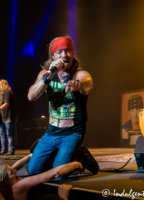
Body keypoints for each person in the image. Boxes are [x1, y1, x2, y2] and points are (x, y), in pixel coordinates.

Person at [27, 36, 98, 176]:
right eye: (59, 52)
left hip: (72, 133)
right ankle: (66, 157)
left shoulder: (78, 73)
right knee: (32, 171)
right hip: (51, 133)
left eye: (68, 51)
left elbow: (88, 81)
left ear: (72, 54)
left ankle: (80, 158)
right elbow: (31, 96)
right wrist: (50, 73)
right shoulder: (45, 74)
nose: (64, 55)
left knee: (60, 176)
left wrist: (77, 83)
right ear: (53, 56)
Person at [0, 79, 18, 155]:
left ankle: (10, 150)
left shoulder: (7, 92)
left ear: (3, 85)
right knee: (2, 134)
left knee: (9, 134)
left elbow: (6, 104)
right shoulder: (1, 95)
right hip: (3, 118)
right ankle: (3, 150)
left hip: (9, 117)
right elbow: (1, 107)